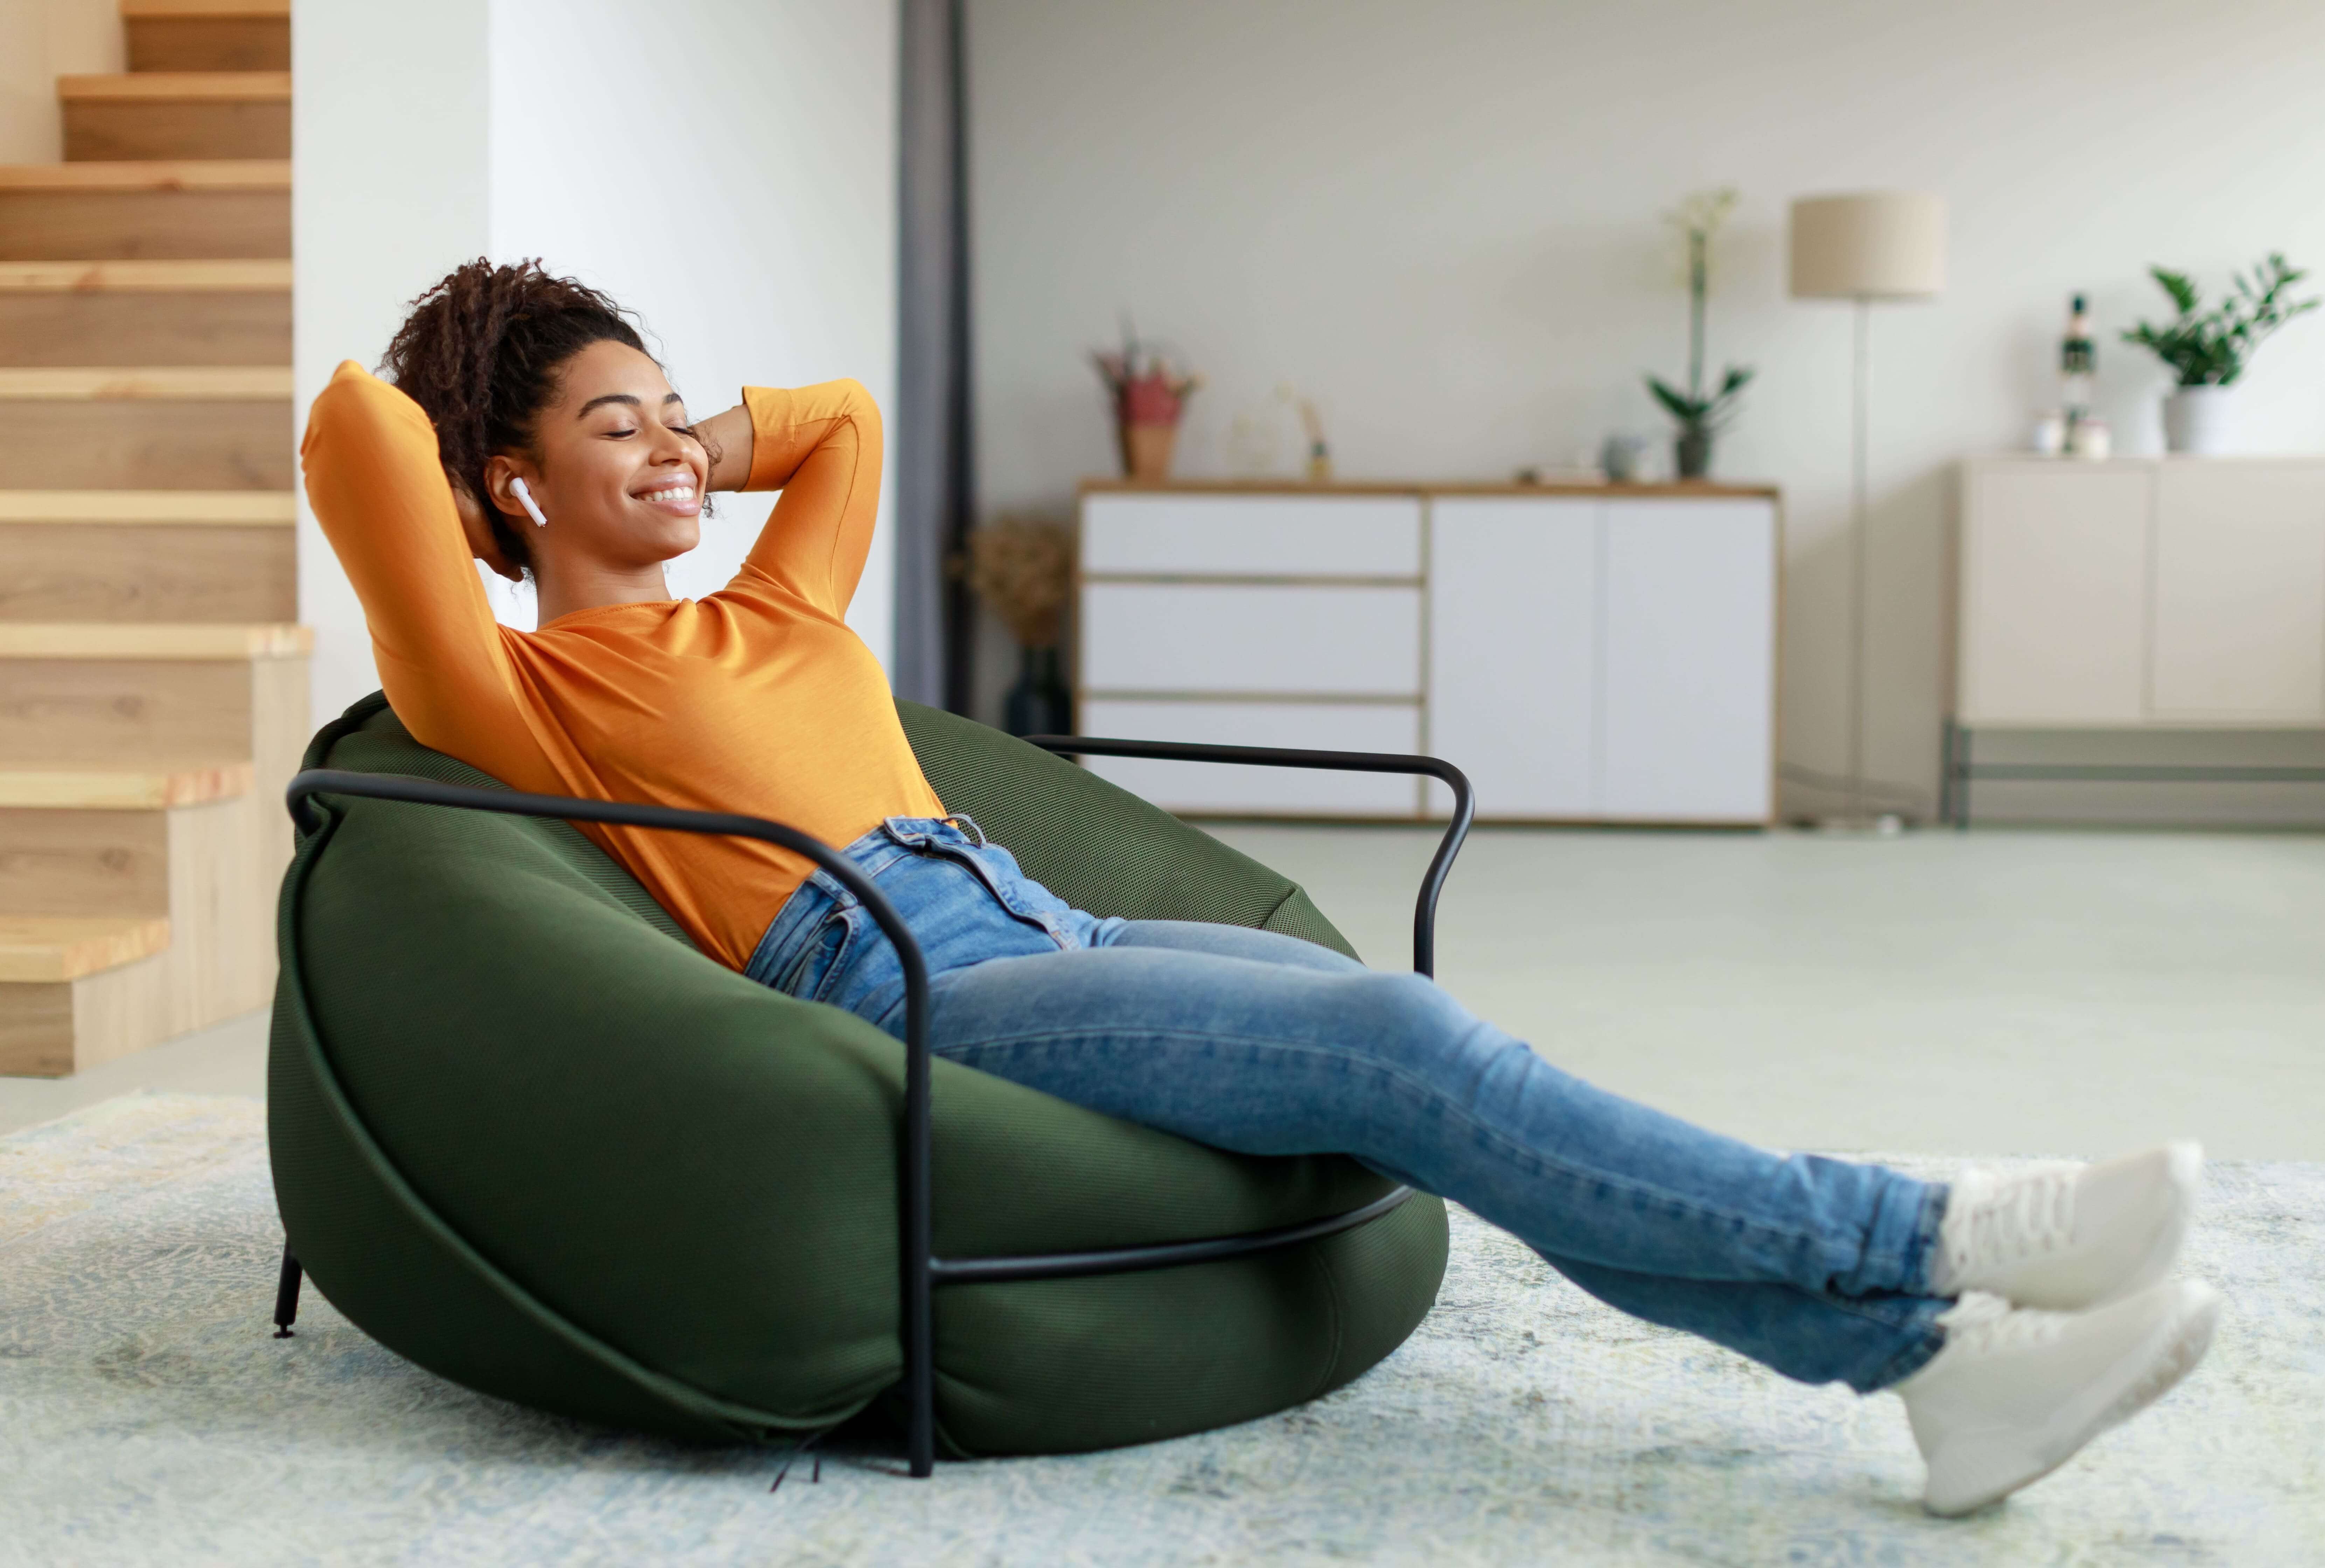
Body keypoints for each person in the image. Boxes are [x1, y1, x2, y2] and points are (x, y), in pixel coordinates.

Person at [304, 259, 2218, 1518]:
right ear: (513, 485)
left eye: (672, 420)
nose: (672, 456)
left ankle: (1926, 1369)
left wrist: (691, 434)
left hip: (1044, 918)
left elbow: (848, 427)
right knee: (1395, 1037)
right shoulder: (521, 695)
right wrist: (490, 401)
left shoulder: (774, 606)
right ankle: (1938, 1227)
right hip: (902, 977)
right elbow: (354, 438)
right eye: (609, 429)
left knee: (1445, 1063)